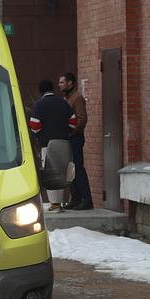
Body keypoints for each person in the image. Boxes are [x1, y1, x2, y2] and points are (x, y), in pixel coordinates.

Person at [29, 80, 75, 211]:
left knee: (50, 172)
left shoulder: (40, 104)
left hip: (47, 144)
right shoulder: (63, 103)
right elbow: (73, 122)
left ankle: (54, 204)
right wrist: (66, 131)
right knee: (61, 172)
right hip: (64, 142)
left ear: (41, 91)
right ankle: (59, 202)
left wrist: (38, 135)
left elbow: (35, 125)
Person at [58, 71, 94, 210]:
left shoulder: (77, 98)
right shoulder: (67, 98)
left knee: (78, 168)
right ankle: (75, 198)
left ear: (70, 83)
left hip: (75, 138)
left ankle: (86, 199)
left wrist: (71, 132)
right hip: (68, 138)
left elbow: (82, 118)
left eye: (62, 82)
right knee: (70, 169)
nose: (59, 85)